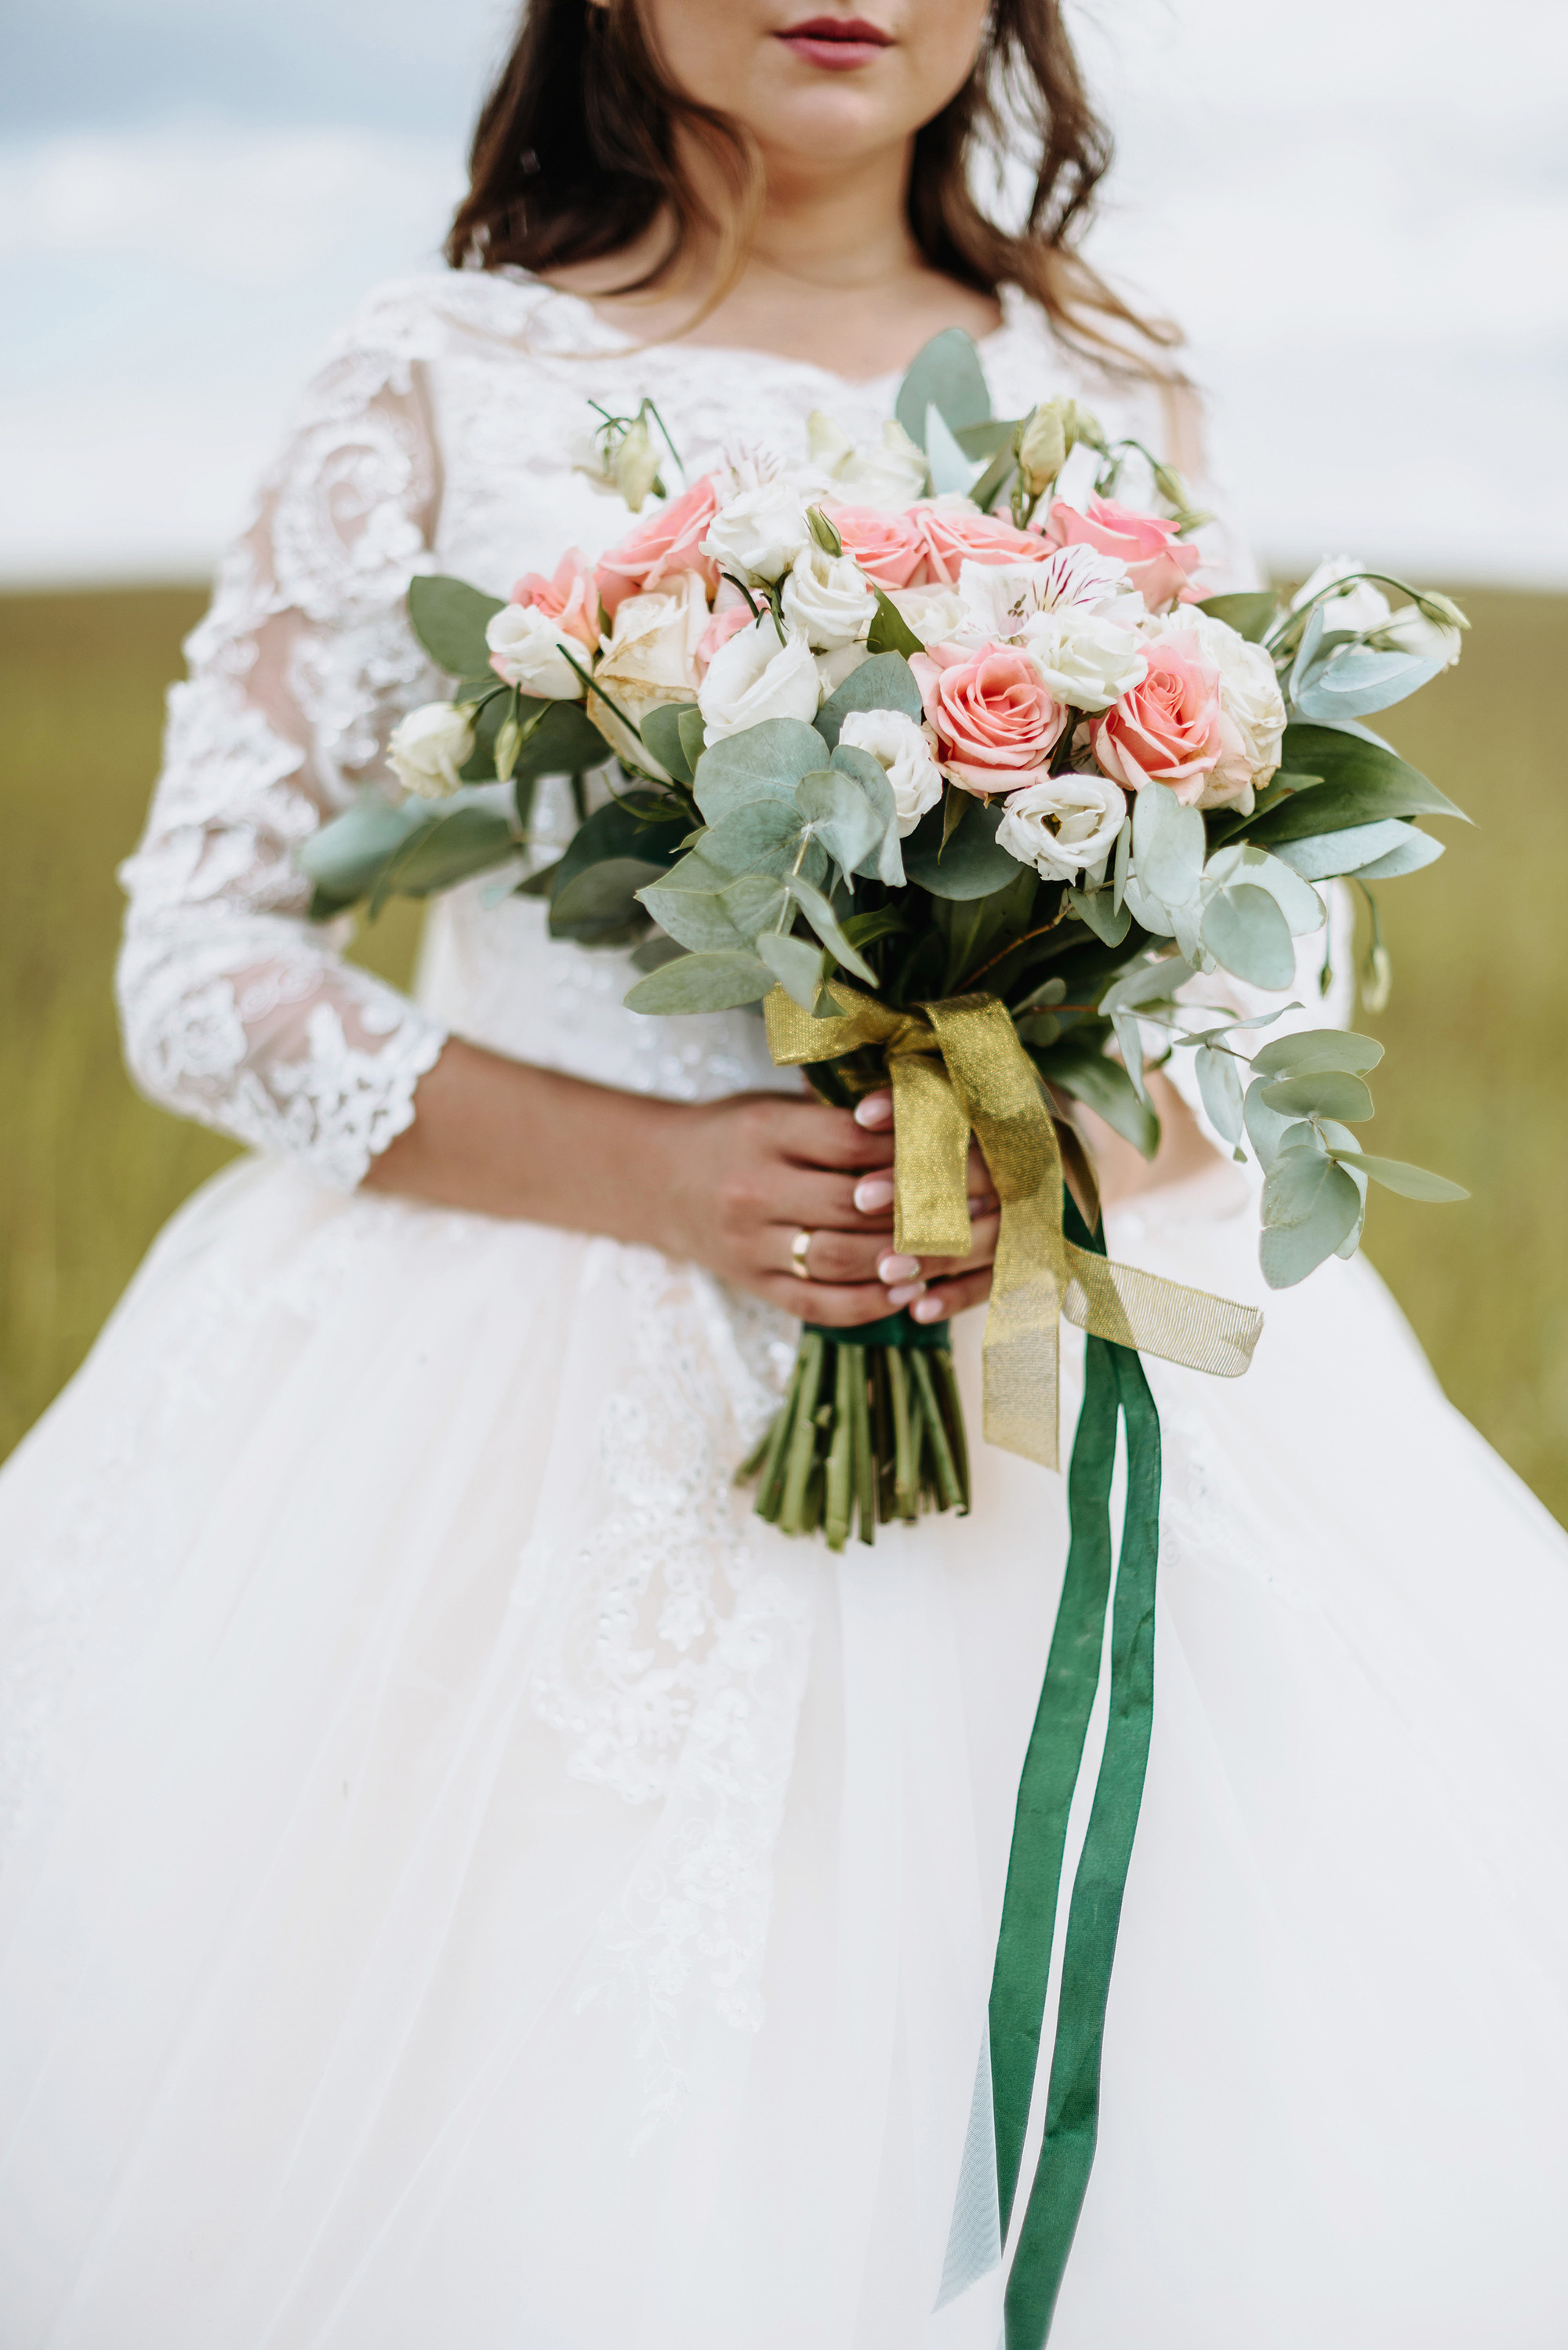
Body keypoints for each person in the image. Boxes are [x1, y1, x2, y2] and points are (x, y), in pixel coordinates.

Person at [2, 3, 1566, 2344]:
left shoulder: (1108, 392)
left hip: (1019, 1339)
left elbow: (1258, 975)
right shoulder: (443, 373)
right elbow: (200, 960)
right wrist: (654, 1173)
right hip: (509, 1363)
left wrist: (1037, 1159)